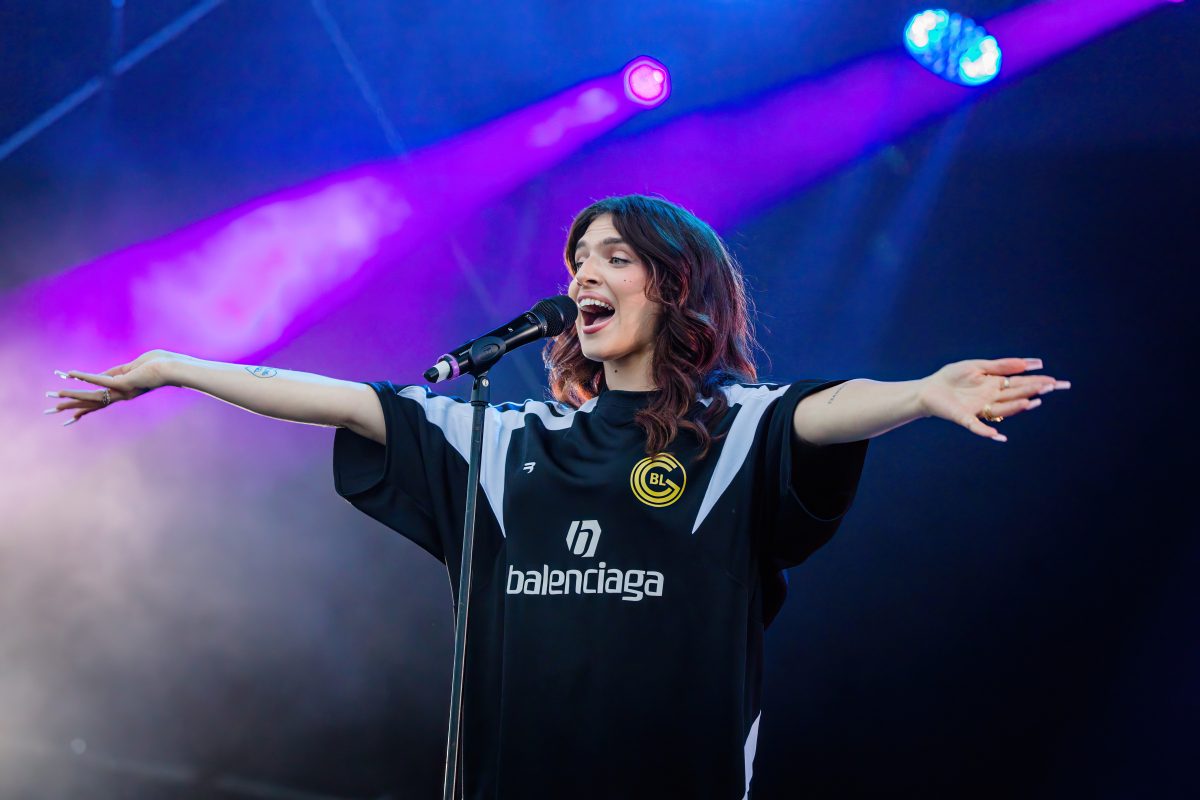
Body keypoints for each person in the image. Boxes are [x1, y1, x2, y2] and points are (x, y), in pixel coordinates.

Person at [46, 194, 1069, 799]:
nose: (584, 273)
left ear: (676, 288)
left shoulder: (734, 429)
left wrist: (924, 392)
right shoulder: (502, 438)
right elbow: (344, 401)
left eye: (616, 257)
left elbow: (827, 410)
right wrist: (179, 367)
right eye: (578, 258)